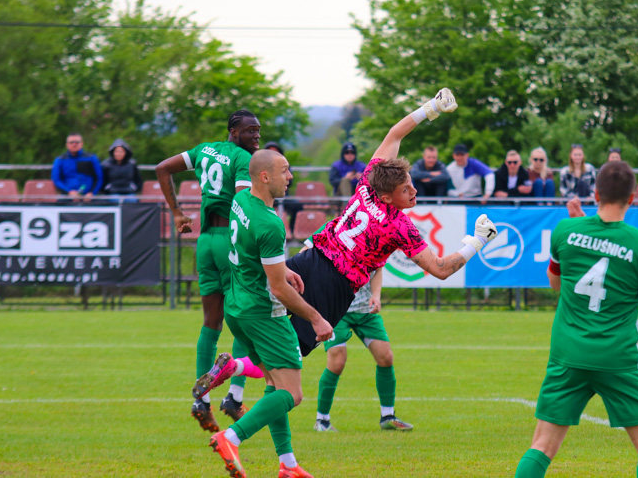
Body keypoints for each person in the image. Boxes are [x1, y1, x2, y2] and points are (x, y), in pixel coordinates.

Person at [288, 89, 498, 357]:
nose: (414, 192)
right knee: (290, 355)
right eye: (405, 190)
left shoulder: (368, 180)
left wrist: (431, 107)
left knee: (261, 312)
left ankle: (235, 376)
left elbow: (394, 134)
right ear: (387, 197)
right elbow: (440, 269)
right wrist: (478, 241)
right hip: (335, 285)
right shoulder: (399, 226)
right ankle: (241, 377)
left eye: (411, 184)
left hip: (311, 260)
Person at [513, 161, 638, 478]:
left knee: (542, 445)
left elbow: (556, 283)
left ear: (595, 193)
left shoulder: (566, 230)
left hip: (568, 353)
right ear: (633, 198)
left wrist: (580, 227)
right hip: (618, 356)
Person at [207, 149, 328, 478]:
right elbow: (278, 289)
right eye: (285, 171)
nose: (290, 177)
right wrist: (316, 318)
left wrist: (283, 269)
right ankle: (230, 438)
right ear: (264, 177)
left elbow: (257, 259)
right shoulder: (270, 223)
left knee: (274, 385)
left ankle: (287, 465)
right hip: (264, 315)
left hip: (237, 306)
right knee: (293, 393)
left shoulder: (240, 199)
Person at [155, 110, 261, 433]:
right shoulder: (243, 159)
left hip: (204, 242)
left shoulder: (204, 150)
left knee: (211, 322)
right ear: (233, 131)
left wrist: (176, 213)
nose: (256, 136)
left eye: (258, 131)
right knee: (245, 318)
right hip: (230, 242)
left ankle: (200, 401)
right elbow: (245, 205)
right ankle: (234, 397)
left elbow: (162, 169)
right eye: (250, 131)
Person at [314, 269, 413, 432]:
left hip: (366, 310)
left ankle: (388, 416)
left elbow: (378, 268)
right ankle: (322, 419)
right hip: (337, 310)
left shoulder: (373, 243)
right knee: (337, 362)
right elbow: (306, 254)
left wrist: (376, 295)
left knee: (386, 357)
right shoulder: (326, 241)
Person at [51, 132, 103, 201]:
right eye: (71, 142)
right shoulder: (60, 160)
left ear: (82, 144)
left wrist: (92, 193)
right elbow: (56, 180)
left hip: (89, 198)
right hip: (67, 198)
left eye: (77, 142)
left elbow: (99, 178)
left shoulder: (91, 158)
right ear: (67, 145)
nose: (74, 144)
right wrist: (69, 192)